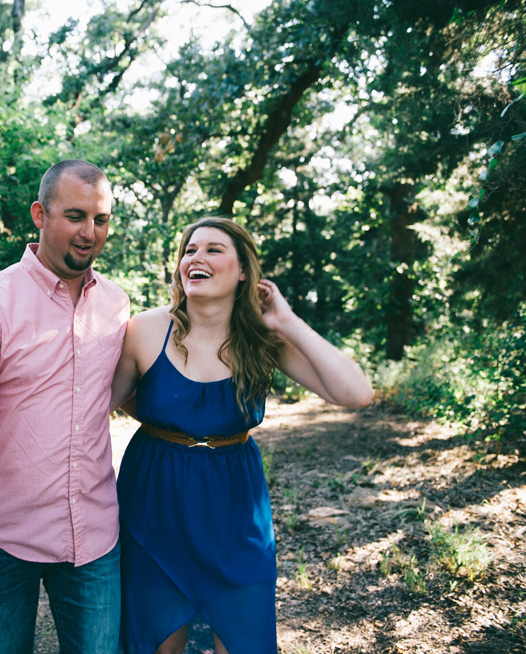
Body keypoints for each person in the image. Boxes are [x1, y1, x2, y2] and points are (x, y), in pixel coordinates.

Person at [110, 217, 372, 654]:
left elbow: (357, 393)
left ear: (244, 270)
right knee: (158, 645)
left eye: (214, 249)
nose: (197, 257)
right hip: (154, 502)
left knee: (242, 640)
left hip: (234, 507)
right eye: (190, 250)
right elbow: (98, 404)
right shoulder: (146, 329)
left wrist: (286, 321)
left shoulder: (262, 337)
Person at [0, 160, 130, 654]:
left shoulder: (118, 306)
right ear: (39, 214)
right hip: (1, 537)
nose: (90, 232)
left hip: (94, 537)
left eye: (101, 219)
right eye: (75, 216)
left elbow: (135, 394)